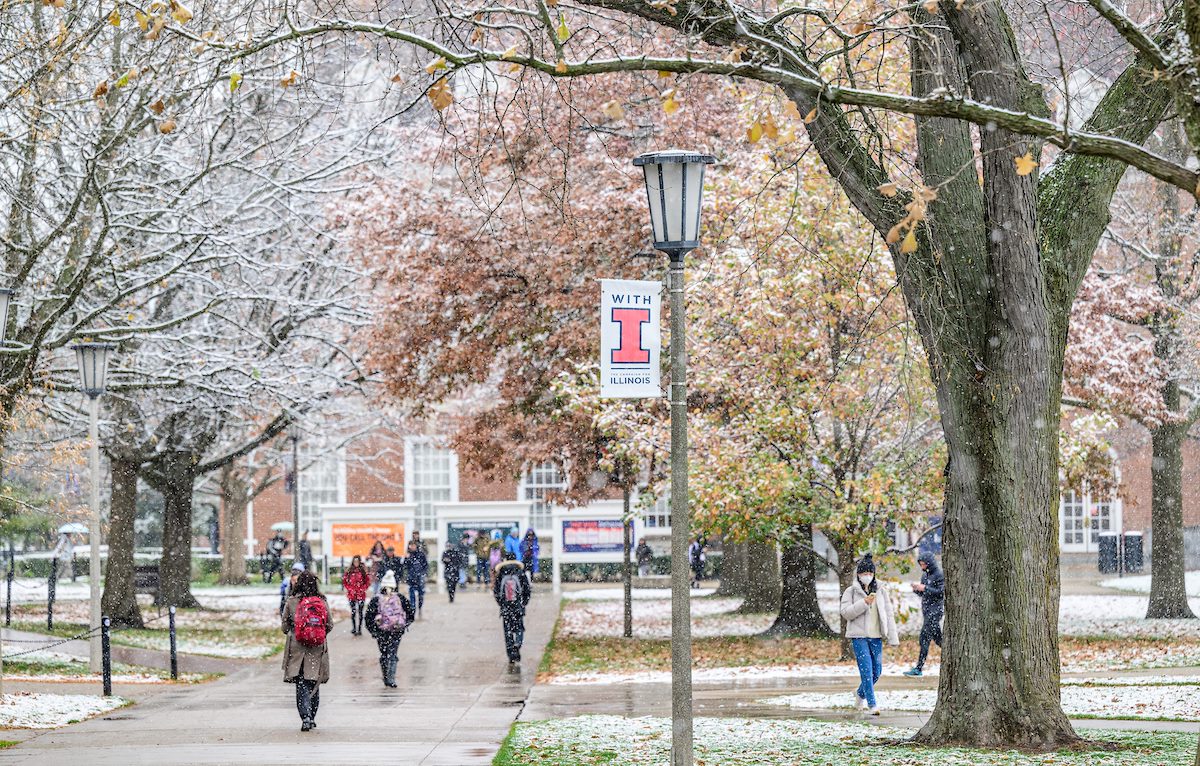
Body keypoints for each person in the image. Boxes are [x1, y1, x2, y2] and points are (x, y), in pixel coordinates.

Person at [839, 554, 899, 715]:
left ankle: (859, 694)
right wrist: (863, 603)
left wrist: (893, 637)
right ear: (858, 574)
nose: (867, 576)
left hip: (876, 636)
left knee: (876, 672)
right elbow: (845, 613)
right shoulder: (851, 592)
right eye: (864, 573)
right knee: (866, 671)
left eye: (870, 573)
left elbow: (888, 614)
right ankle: (872, 705)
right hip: (858, 636)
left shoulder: (881, 590)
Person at [281, 571, 332, 731]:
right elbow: (329, 624)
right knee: (313, 681)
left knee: (301, 682)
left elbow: (284, 627)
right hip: (316, 647)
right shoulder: (321, 601)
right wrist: (316, 633)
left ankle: (305, 716)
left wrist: (298, 631)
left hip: (297, 647)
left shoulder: (292, 601)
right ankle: (312, 715)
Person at [365, 570, 415, 687]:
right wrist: (404, 625)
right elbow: (411, 613)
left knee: (384, 654)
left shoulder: (376, 599)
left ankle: (387, 677)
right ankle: (391, 679)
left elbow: (368, 617)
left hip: (381, 632)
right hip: (396, 631)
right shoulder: (400, 598)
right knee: (392, 654)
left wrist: (374, 631)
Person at [904, 551, 945, 677]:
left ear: (929, 563)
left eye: (923, 564)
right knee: (939, 640)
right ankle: (956, 655)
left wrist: (925, 588)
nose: (922, 567)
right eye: (920, 565)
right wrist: (917, 590)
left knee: (924, 638)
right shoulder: (925, 576)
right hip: (927, 612)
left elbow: (940, 592)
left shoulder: (939, 575)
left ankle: (919, 668)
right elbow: (925, 594)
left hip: (935, 611)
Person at [493, 551, 532, 663]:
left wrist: (501, 603)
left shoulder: (501, 573)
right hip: (518, 606)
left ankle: (511, 655)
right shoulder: (520, 572)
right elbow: (527, 590)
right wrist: (523, 603)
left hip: (506, 608)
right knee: (519, 627)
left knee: (508, 630)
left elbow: (496, 592)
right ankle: (517, 644)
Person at [342, 555, 371, 636]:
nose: (356, 563)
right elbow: (345, 582)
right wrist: (350, 589)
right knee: (353, 611)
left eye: (357, 561)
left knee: (361, 612)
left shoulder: (363, 571)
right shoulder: (349, 572)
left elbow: (367, 582)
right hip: (352, 595)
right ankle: (354, 628)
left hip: (361, 595)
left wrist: (362, 589)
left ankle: (359, 628)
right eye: (354, 561)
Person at [405, 541, 429, 617]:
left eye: (413, 545)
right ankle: (413, 609)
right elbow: (405, 566)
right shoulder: (408, 555)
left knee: (421, 595)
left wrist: (423, 574)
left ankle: (420, 608)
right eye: (411, 545)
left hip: (420, 577)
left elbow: (425, 565)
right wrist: (407, 558)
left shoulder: (421, 554)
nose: (412, 547)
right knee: (412, 595)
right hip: (411, 577)